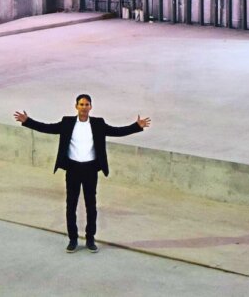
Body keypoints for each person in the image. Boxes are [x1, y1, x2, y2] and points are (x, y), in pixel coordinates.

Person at [14, 95, 151, 253]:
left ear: (91, 107)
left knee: (91, 205)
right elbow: (47, 128)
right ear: (76, 106)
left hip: (90, 169)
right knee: (71, 205)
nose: (84, 107)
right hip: (73, 169)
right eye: (81, 104)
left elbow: (117, 131)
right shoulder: (67, 122)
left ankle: (90, 239)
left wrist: (136, 126)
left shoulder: (98, 124)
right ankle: (73, 239)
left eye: (87, 104)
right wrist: (27, 121)